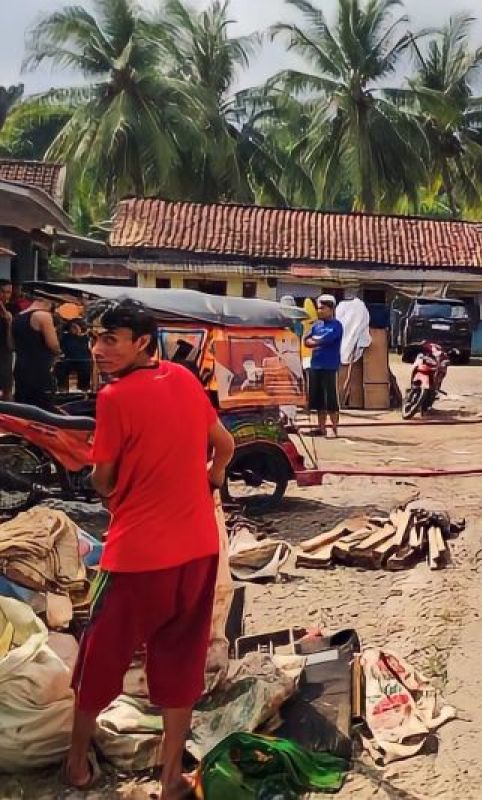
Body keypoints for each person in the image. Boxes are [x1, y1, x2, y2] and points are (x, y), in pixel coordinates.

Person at [64, 300, 235, 799]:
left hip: (138, 557)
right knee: (181, 658)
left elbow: (102, 476)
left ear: (142, 341)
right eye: (95, 338)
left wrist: (111, 492)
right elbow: (223, 446)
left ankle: (76, 765)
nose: (97, 349)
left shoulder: (115, 398)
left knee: (99, 656)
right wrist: (211, 481)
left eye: (110, 339)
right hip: (199, 550)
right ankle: (170, 779)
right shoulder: (183, 379)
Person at [304, 295, 343, 438]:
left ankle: (334, 428)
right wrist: (315, 341)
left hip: (329, 366)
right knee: (318, 400)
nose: (319, 311)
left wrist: (315, 341)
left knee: (331, 399)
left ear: (331, 309)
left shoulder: (336, 326)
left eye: (322, 308)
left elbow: (324, 340)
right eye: (318, 308)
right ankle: (321, 428)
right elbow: (306, 340)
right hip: (315, 365)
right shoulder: (316, 325)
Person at [13, 295, 60, 410]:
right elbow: (53, 345)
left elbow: (11, 343)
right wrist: (59, 353)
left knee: (24, 410)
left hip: (21, 370)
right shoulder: (43, 315)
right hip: (40, 371)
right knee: (44, 410)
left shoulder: (18, 317)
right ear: (49, 301)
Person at [56, 319, 92, 392]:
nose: (73, 329)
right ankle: (63, 390)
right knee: (60, 367)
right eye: (72, 327)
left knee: (85, 368)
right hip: (67, 360)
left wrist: (79, 333)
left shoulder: (86, 337)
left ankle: (83, 390)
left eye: (75, 327)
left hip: (82, 360)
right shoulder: (64, 336)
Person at [0, 282, 13, 401]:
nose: (5, 295)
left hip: (5, 353)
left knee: (7, 389)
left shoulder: (12, 308)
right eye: (2, 291)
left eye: (8, 292)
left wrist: (9, 323)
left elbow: (11, 344)